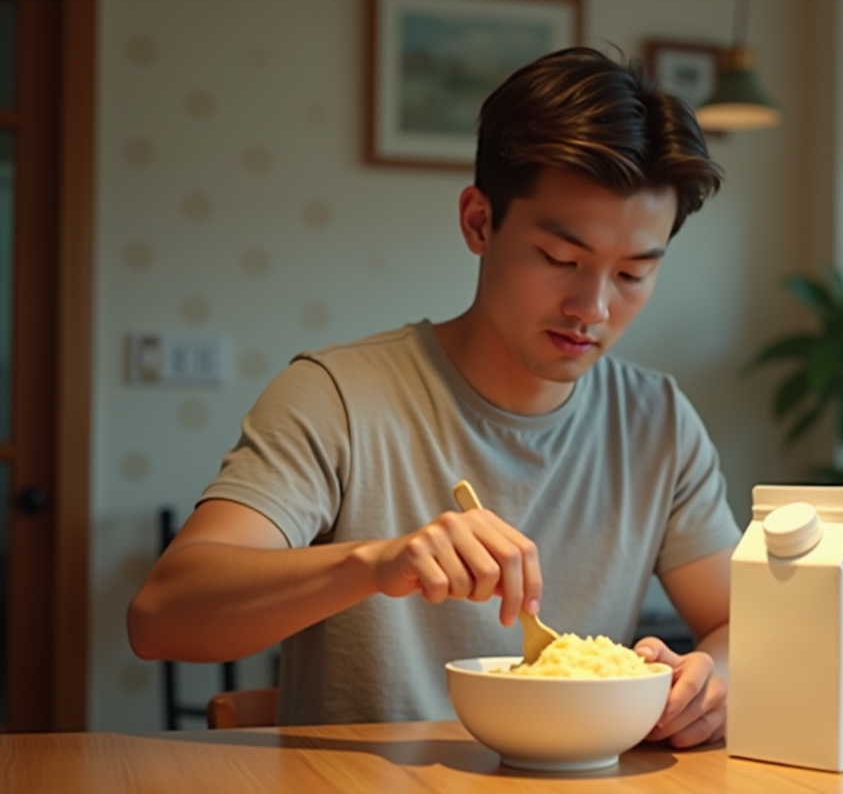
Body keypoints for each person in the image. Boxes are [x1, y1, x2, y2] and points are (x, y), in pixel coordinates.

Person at [126, 47, 739, 748]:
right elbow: (161, 617)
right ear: (479, 222)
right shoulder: (338, 397)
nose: (593, 307)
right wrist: (374, 563)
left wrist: (710, 678)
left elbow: (742, 627)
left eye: (633, 273)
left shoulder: (656, 421)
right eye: (561, 261)